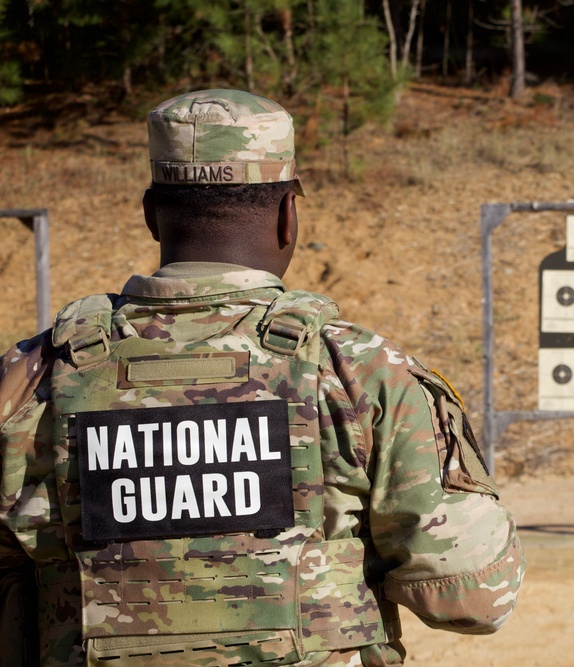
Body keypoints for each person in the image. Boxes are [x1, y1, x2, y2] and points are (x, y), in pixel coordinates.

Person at [0, 89, 524, 666]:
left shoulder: (30, 376)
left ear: (151, 214)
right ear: (288, 216)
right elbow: (475, 597)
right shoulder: (359, 371)